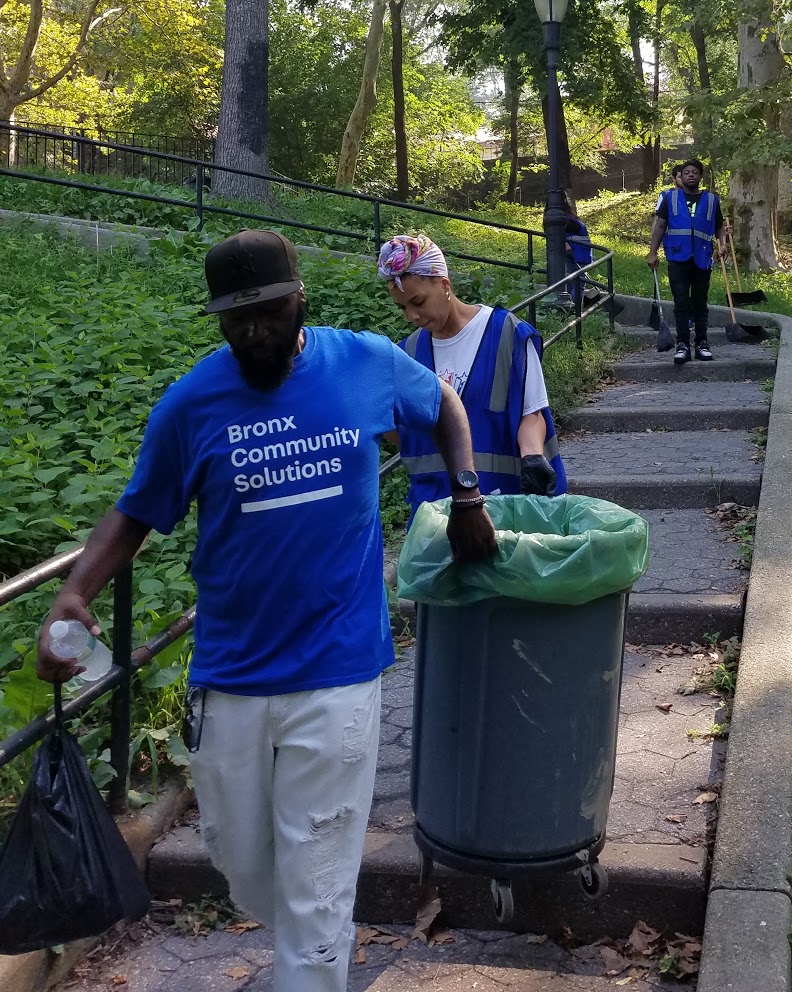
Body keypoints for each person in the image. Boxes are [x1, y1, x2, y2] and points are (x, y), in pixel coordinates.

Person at [37, 229, 495, 992]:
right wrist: (76, 588)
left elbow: (443, 403)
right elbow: (136, 512)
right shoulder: (191, 404)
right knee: (245, 861)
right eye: (235, 316)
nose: (254, 328)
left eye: (268, 311)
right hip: (232, 674)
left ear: (298, 299)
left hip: (338, 668)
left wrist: (467, 492)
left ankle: (311, 969)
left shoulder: (364, 361)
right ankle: (303, 949)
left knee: (317, 881)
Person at [379, 233, 566, 508]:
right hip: (436, 513)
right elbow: (403, 435)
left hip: (507, 506)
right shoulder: (406, 355)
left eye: (417, 302)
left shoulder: (507, 334)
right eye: (402, 307)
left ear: (444, 284)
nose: (411, 316)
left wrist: (533, 458)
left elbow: (532, 412)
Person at [647, 158, 728, 364]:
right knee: (681, 302)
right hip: (677, 256)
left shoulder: (711, 200)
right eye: (686, 172)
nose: (690, 175)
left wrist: (722, 245)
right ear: (680, 177)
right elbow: (660, 225)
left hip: (702, 258)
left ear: (700, 176)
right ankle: (683, 344)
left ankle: (702, 343)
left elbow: (719, 226)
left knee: (700, 303)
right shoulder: (670, 198)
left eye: (695, 172)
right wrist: (652, 252)